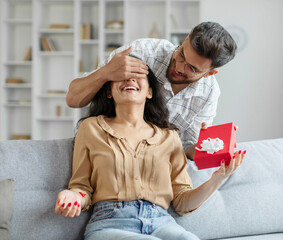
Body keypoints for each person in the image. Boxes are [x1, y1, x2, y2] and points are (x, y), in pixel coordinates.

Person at [55, 61, 245, 240]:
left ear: (150, 91)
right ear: (109, 92)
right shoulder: (91, 128)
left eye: (137, 75)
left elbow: (181, 202)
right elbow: (81, 187)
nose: (129, 79)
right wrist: (73, 197)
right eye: (122, 76)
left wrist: (218, 177)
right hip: (109, 225)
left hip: (161, 223)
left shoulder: (169, 137)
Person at [66, 22, 238, 160]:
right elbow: (73, 99)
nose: (179, 67)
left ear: (211, 73)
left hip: (154, 165)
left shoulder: (208, 94)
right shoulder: (142, 52)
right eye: (182, 54)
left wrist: (211, 148)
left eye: (192, 69)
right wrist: (105, 73)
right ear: (186, 39)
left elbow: (187, 147)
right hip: (106, 152)